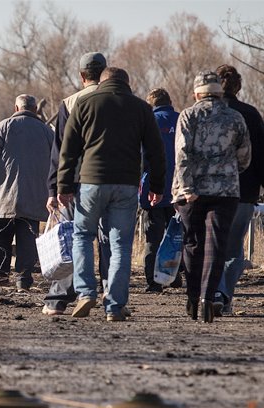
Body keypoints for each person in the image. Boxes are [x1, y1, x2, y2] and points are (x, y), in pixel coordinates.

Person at [58, 67, 165, 322]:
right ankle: (115, 306)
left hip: (91, 183)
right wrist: (157, 187)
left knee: (83, 236)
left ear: (102, 82)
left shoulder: (85, 103)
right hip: (126, 185)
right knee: (120, 245)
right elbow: (156, 151)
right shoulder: (141, 108)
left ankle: (85, 293)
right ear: (127, 83)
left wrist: (64, 185)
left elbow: (68, 148)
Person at [172, 71, 251, 322]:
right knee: (217, 245)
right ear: (219, 92)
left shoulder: (188, 115)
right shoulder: (236, 117)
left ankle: (193, 297)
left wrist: (186, 187)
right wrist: (227, 171)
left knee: (192, 243)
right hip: (225, 191)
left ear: (197, 93)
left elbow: (182, 153)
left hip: (191, 191)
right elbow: (244, 155)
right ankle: (209, 297)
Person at [214, 65, 264, 314]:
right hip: (244, 192)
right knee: (234, 247)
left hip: (209, 191)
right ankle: (224, 295)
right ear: (238, 87)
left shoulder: (204, 113)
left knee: (212, 244)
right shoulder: (250, 114)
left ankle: (215, 293)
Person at [42, 51, 107, 316]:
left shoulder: (69, 103)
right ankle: (110, 295)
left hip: (75, 183)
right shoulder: (120, 101)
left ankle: (59, 299)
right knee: (109, 239)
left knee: (71, 239)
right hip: (111, 180)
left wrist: (54, 188)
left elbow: (60, 152)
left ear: (81, 76)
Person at [0, 94, 54, 290]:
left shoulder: (3, 127)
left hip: (3, 197)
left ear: (16, 108)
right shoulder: (47, 132)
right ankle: (23, 279)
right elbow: (57, 164)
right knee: (28, 238)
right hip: (35, 198)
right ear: (35, 110)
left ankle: (0, 276)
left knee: (1, 235)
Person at [140, 88, 182, 293]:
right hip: (180, 189)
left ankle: (154, 281)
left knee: (153, 237)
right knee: (177, 235)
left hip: (153, 189)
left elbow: (142, 157)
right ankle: (175, 276)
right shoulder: (182, 119)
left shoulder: (149, 122)